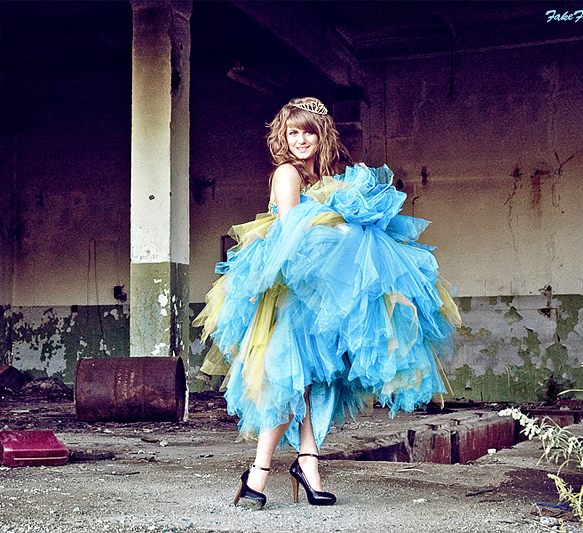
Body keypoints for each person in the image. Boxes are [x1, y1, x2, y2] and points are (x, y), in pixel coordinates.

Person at [194, 97, 461, 509]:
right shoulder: (287, 173)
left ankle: (306, 465)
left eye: (309, 132)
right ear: (283, 137)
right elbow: (292, 235)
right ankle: (259, 475)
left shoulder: (327, 179)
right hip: (294, 293)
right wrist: (343, 232)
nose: (301, 140)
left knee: (311, 384)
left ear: (322, 136)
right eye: (293, 132)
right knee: (288, 381)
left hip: (318, 296)